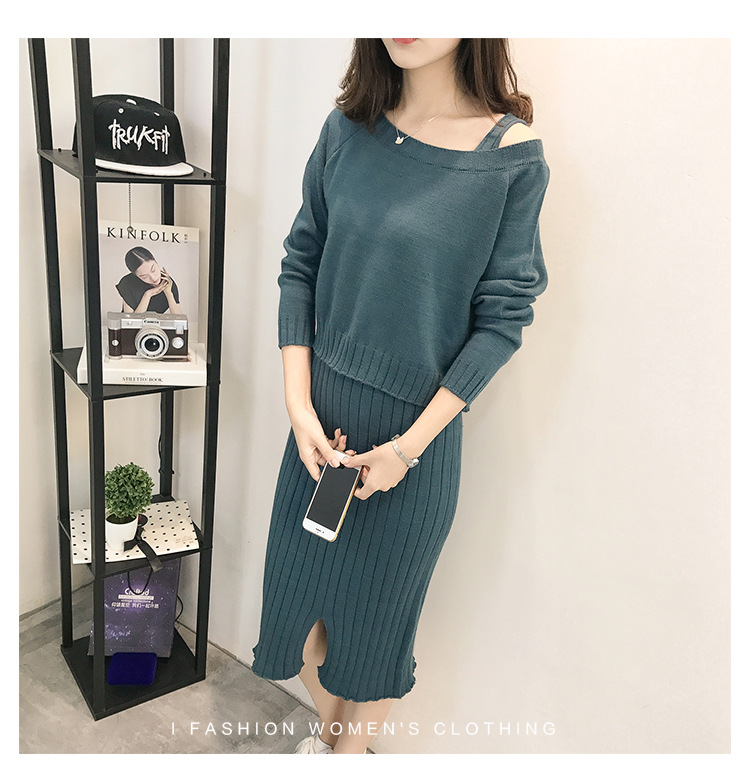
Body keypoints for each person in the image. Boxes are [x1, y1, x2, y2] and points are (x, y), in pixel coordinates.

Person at [251, 38, 550, 755]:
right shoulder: (347, 130)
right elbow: (301, 263)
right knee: (303, 626)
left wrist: (407, 451)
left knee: (374, 640)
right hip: (321, 431)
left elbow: (502, 321)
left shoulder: (510, 158)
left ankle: (341, 757)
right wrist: (299, 406)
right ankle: (336, 752)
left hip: (411, 447)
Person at [115, 245, 183, 315]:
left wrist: (168, 293)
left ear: (155, 261)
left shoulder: (166, 281)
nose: (153, 278)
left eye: (153, 270)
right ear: (136, 276)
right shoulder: (127, 283)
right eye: (144, 276)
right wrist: (148, 295)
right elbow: (130, 320)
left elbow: (179, 318)